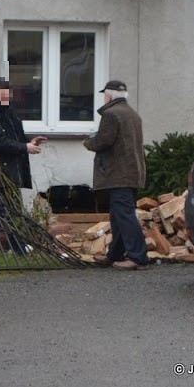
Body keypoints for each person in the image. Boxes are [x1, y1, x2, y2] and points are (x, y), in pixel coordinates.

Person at [0, 77, 47, 254]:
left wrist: (29, 142)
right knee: (0, 212)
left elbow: (12, 138)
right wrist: (25, 147)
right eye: (2, 93)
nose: (6, 97)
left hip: (10, 172)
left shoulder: (8, 113)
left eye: (8, 93)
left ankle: (16, 248)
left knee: (10, 211)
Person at [83, 80, 149, 270]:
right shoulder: (132, 114)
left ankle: (138, 257)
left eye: (105, 94)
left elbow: (103, 141)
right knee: (118, 216)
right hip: (131, 172)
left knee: (125, 216)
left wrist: (88, 142)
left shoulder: (111, 114)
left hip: (118, 173)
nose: (104, 97)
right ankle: (115, 254)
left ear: (109, 95)